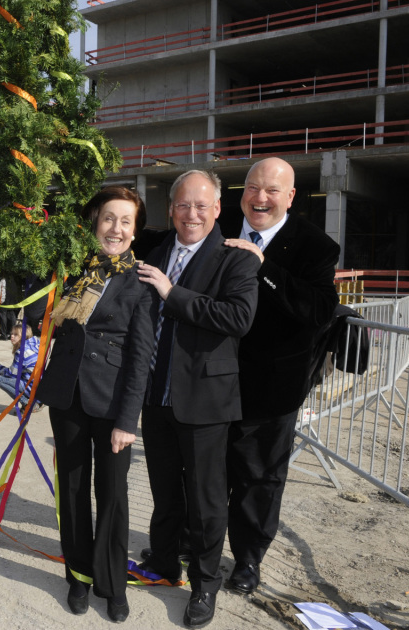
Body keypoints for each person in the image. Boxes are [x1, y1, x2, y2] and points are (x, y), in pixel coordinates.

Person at [135, 170, 260, 628]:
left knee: (207, 501)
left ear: (217, 210)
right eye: (184, 205)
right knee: (165, 491)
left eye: (202, 206)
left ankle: (205, 582)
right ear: (171, 209)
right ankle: (164, 561)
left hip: (206, 400)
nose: (192, 214)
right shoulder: (156, 250)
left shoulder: (237, 259)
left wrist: (172, 293)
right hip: (156, 395)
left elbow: (238, 317)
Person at [37, 186, 158, 623]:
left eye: (126, 221)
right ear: (95, 222)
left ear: (135, 231)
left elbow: (141, 355)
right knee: (71, 490)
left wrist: (129, 419)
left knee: (112, 495)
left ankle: (112, 583)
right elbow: (44, 318)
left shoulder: (140, 280)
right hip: (67, 396)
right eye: (109, 218)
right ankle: (79, 576)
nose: (116, 228)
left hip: (111, 404)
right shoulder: (71, 269)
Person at [222, 158, 340, 595]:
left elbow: (318, 310)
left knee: (260, 478)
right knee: (204, 470)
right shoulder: (219, 223)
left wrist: (262, 266)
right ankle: (195, 543)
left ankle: (248, 559)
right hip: (212, 378)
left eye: (272, 190)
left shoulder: (315, 246)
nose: (260, 198)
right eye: (252, 187)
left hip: (272, 387)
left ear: (290, 197)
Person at [0, 321, 42, 410]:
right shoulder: (36, 344)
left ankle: (27, 404)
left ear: (24, 336)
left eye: (16, 334)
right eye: (12, 334)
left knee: (1, 380)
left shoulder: (21, 352)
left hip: (32, 387)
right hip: (41, 386)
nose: (12, 336)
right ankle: (37, 402)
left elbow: (12, 373)